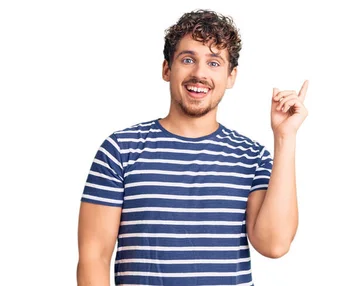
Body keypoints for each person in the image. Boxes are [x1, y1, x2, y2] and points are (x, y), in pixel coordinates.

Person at [76, 9, 308, 286]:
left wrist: (285, 138)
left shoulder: (252, 157)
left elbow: (274, 245)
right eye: (188, 59)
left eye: (214, 63)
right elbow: (94, 257)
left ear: (231, 76)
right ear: (167, 69)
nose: (199, 74)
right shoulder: (120, 150)